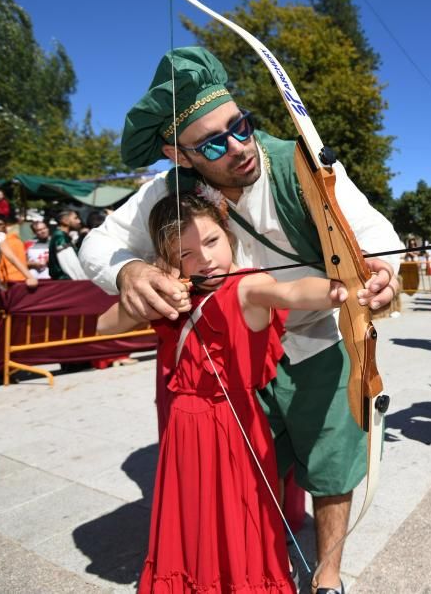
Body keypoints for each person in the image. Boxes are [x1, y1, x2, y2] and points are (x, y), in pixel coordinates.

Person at [79, 46, 400, 594]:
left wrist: (382, 279)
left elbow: (378, 243)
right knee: (252, 472)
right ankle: (257, 563)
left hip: (319, 340)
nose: (239, 147)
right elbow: (99, 244)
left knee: (332, 468)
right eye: (212, 143)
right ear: (178, 155)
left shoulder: (304, 163)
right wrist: (129, 270)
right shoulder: (167, 190)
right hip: (243, 361)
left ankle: (327, 574)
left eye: (240, 126)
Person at [98, 193, 347, 593]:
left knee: (238, 516)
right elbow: (105, 325)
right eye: (187, 253)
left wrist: (337, 290)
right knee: (192, 518)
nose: (206, 259)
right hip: (182, 424)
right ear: (171, 260)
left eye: (212, 242)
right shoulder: (174, 295)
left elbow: (291, 292)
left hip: (233, 424)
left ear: (227, 235)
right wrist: (151, 289)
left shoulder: (247, 285)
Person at [48, 210, 83, 280]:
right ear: (65, 221)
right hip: (67, 282)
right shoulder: (60, 237)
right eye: (75, 218)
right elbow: (71, 266)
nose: (79, 221)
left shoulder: (64, 236)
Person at [0, 217, 33, 285]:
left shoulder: (13, 241)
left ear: (6, 225)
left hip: (12, 280)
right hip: (18, 278)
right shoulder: (17, 240)